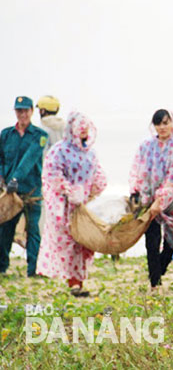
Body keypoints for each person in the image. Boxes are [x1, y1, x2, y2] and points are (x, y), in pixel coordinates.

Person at [36, 112, 107, 296]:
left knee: (82, 243)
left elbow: (97, 174)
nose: (84, 132)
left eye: (86, 129)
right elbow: (52, 174)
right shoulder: (59, 150)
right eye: (80, 129)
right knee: (68, 243)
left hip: (82, 207)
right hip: (64, 206)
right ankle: (73, 283)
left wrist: (93, 190)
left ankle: (79, 282)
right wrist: (69, 190)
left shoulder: (89, 152)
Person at [129, 109, 173, 291]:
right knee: (151, 242)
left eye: (165, 122)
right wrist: (136, 192)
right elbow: (137, 170)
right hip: (149, 200)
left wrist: (161, 201)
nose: (162, 127)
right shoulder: (146, 146)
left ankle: (160, 269)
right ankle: (155, 282)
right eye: (158, 123)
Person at [0, 96, 48, 276]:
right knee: (5, 229)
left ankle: (33, 270)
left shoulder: (40, 136)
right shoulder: (5, 134)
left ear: (32, 112)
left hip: (31, 190)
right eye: (19, 110)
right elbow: (1, 159)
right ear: (15, 112)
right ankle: (2, 267)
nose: (22, 114)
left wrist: (16, 179)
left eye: (25, 110)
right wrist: (2, 177)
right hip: (9, 193)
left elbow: (30, 159)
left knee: (33, 230)